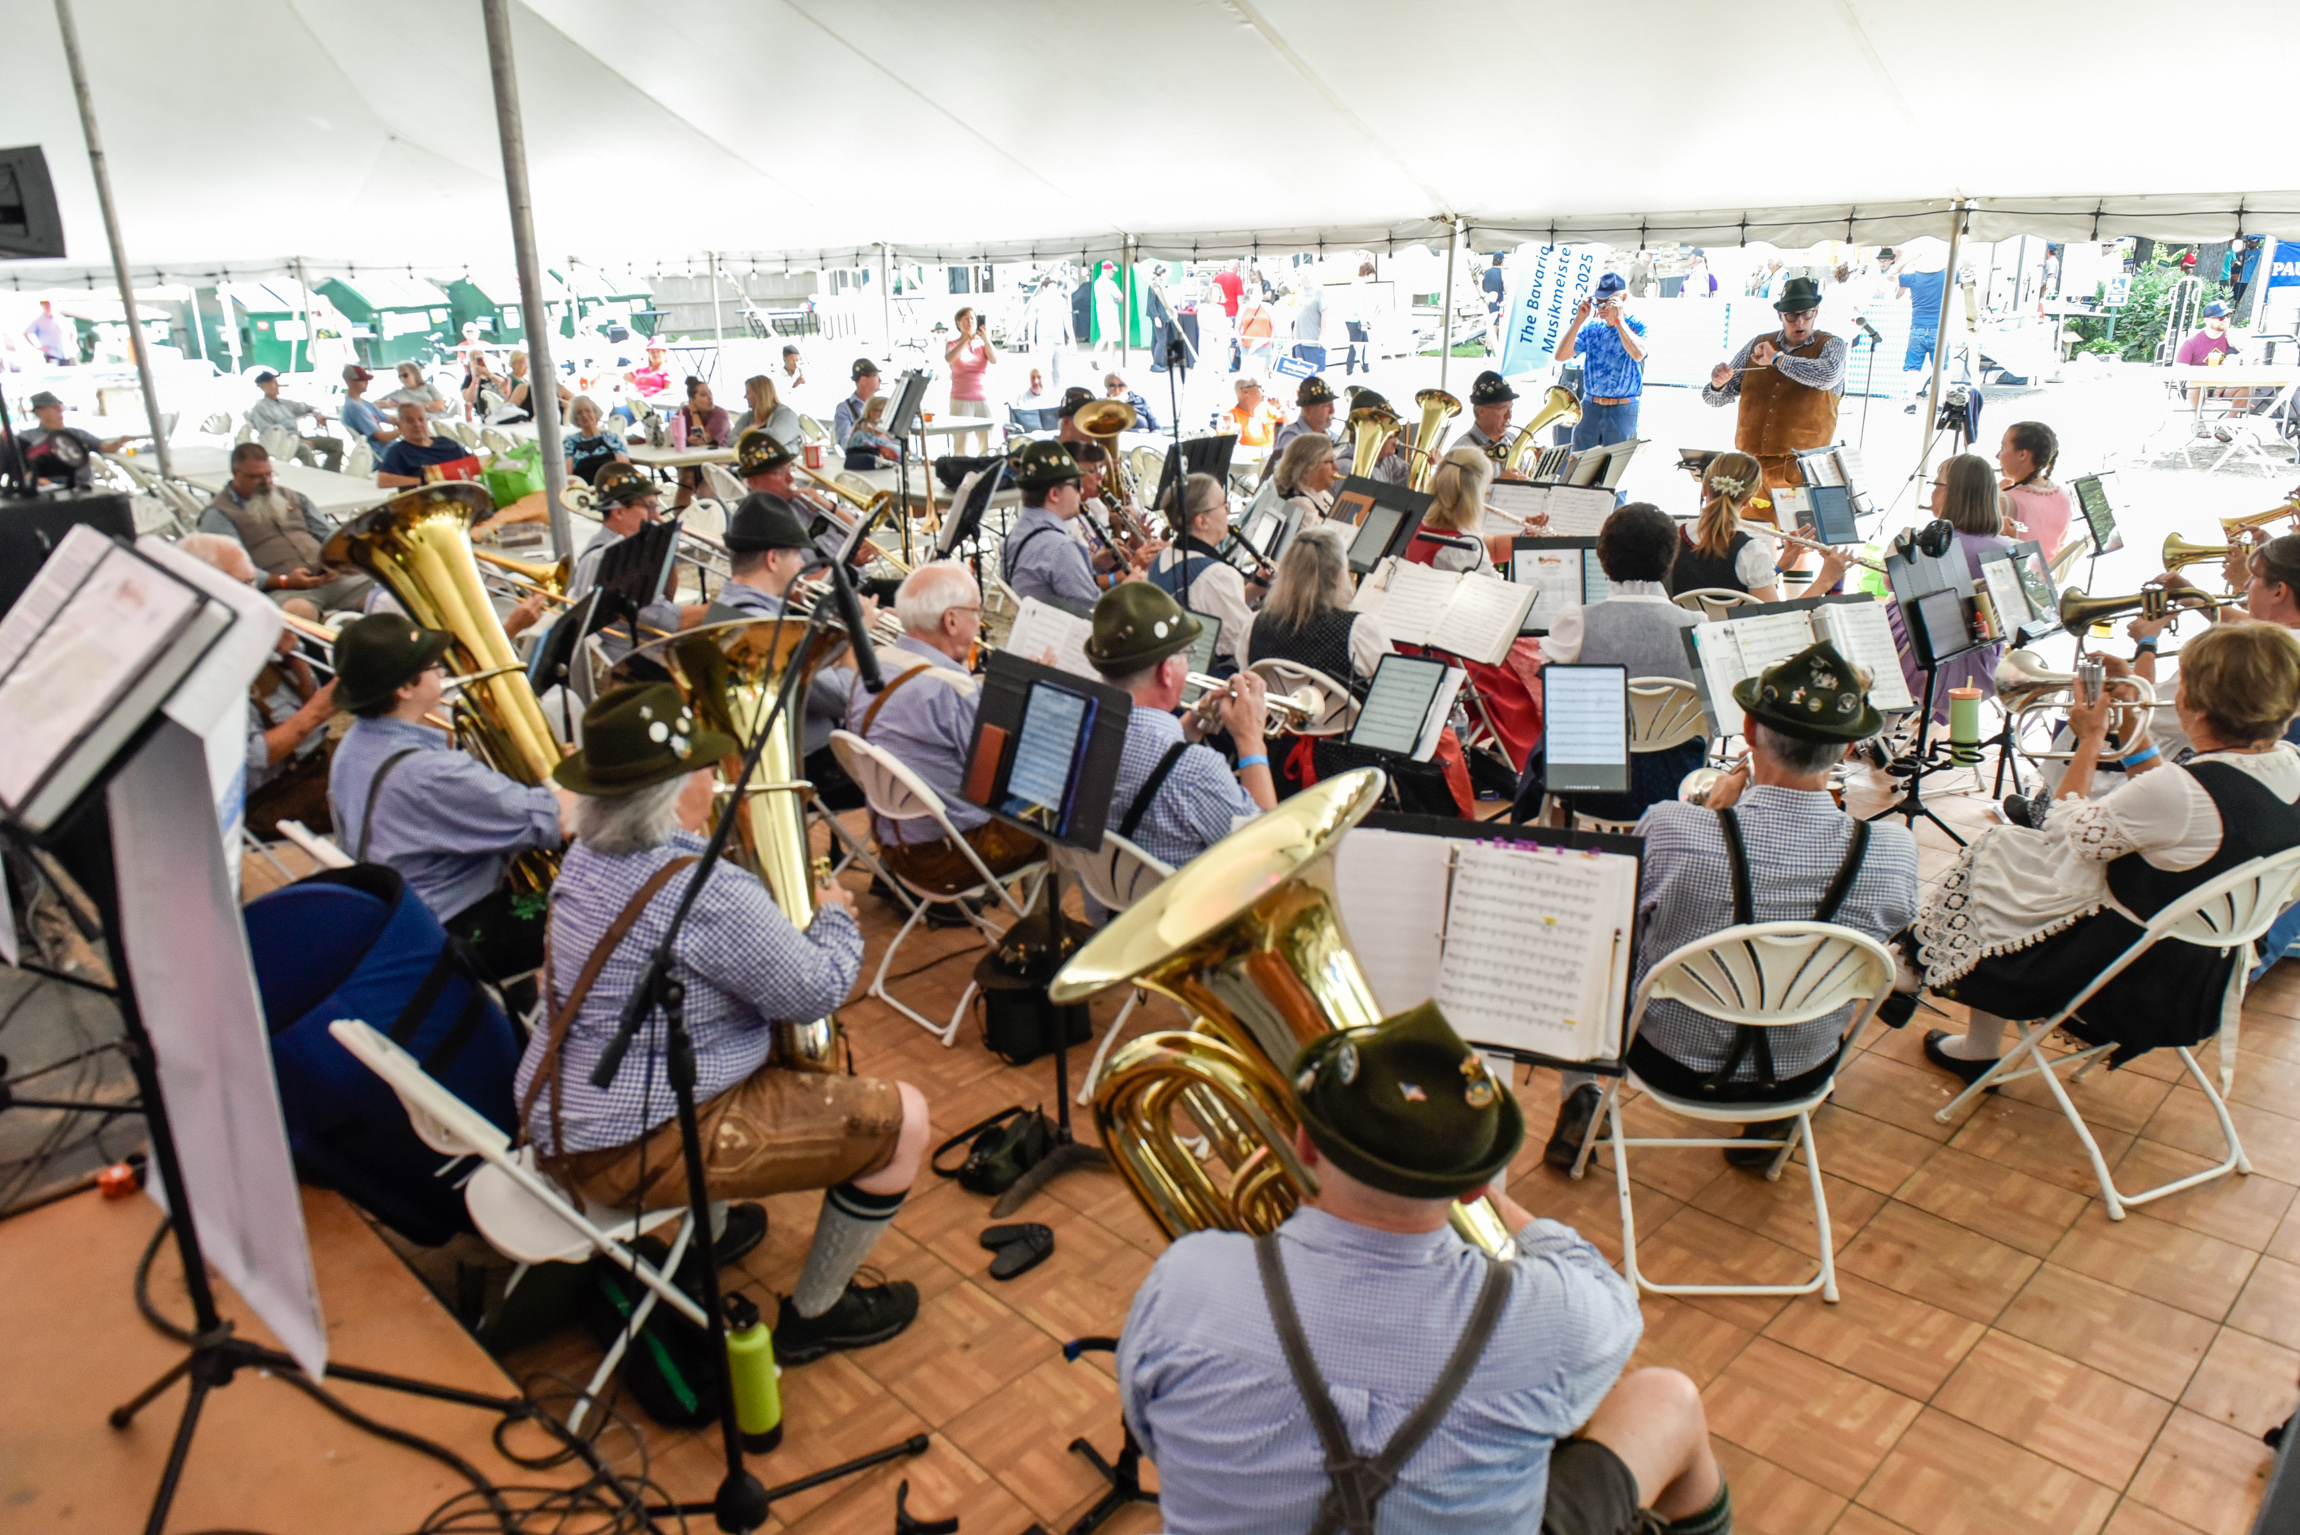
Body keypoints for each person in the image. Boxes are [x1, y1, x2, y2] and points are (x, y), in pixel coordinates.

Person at [1122, 1001, 1731, 1535]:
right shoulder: (1553, 1316)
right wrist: (1511, 1212)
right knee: (1667, 1398)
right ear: (1474, 1188)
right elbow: (1618, 1305)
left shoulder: (1184, 1280)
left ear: (1304, 1144)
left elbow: (1152, 1437)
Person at [512, 681, 925, 1362]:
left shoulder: (584, 854)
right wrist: (833, 918)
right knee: (907, 1121)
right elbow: (815, 990)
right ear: (674, 789)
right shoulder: (704, 886)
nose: (718, 776)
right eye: (707, 766)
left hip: (558, 1116)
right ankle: (819, 1313)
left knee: (731, 1048)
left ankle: (710, 1231)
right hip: (633, 1148)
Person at [1545, 642, 1919, 1168]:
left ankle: (1583, 1092)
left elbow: (1620, 919)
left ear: (1748, 730)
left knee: (1596, 936)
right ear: (1847, 749)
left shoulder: (1673, 827)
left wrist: (1707, 814)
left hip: (1669, 1060)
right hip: (1803, 1069)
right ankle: (1776, 1120)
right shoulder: (1893, 851)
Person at [1913, 623, 2300, 1084]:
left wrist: (2091, 740)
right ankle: (1918, 974)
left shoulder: (2181, 790)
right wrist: (2132, 723)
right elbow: (2176, 797)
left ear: (2194, 703)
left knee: (2002, 849)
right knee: (2014, 854)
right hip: (2206, 979)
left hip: (2130, 982)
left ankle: (1951, 1014)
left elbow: (2060, 831)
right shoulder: (2286, 764)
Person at [328, 607, 567, 978]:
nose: (441, 670)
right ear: (405, 689)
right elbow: (553, 820)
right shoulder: (428, 772)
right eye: (433, 665)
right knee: (606, 908)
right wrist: (582, 776)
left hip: (400, 915)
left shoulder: (353, 745)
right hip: (447, 931)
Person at [847, 563, 1040, 893]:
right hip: (951, 855)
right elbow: (1006, 777)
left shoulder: (873, 667)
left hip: (893, 847)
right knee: (1068, 815)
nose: (980, 623)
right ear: (951, 621)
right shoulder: (952, 691)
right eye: (976, 612)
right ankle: (1044, 917)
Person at [1514, 503, 1705, 826]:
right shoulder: (1697, 625)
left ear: (1603, 559)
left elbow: (1553, 694)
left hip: (1592, 785)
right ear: (1671, 559)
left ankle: (1551, 839)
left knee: (1548, 744)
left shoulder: (1577, 619)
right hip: (1676, 781)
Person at [1086, 584, 1276, 869]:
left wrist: (1187, 729)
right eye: (1188, 653)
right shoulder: (1198, 770)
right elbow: (1269, 852)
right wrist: (1250, 740)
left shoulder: (1081, 729)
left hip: (1107, 892)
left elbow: (1143, 752)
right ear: (1166, 672)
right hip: (1188, 895)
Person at [178, 534, 341, 836]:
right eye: (242, 585)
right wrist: (320, 709)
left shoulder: (249, 632)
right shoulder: (202, 664)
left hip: (311, 762)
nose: (257, 598)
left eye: (253, 582)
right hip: (270, 797)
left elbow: (310, 712)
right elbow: (254, 760)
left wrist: (294, 660)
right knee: (389, 793)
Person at [701, 492, 857, 769]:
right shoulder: (766, 629)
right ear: (772, 559)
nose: (801, 565)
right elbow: (844, 697)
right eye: (796, 554)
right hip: (811, 760)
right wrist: (856, 633)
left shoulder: (724, 607)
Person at [1891, 454, 2013, 720]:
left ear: (1953, 493)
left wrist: (1896, 551)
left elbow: (1893, 584)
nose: (1932, 492)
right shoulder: (2004, 547)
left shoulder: (1938, 546)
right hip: (1982, 663)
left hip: (1929, 661)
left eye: (1937, 484)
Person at [1702, 276, 1848, 489]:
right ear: (1781, 315)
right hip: (1751, 468)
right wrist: (1717, 384)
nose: (1800, 321)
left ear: (1816, 312)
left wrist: (1778, 359)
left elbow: (1827, 377)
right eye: (1792, 315)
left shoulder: (1832, 345)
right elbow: (1714, 399)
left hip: (1802, 468)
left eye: (1806, 314)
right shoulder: (1758, 344)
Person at [198, 443, 373, 611]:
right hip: (284, 589)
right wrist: (283, 581)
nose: (266, 482)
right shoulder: (219, 514)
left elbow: (329, 536)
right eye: (256, 477)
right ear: (236, 473)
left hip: (331, 579)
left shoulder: (293, 497)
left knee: (383, 595)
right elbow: (233, 569)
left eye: (269, 474)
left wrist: (338, 563)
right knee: (299, 611)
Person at [1003, 441, 1144, 618]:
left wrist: (1094, 564)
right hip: (1062, 631)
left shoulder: (1016, 534)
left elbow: (1047, 578)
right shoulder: (1061, 548)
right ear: (1054, 494)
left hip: (1032, 626)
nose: (1081, 490)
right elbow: (1095, 617)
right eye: (1076, 484)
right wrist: (1127, 587)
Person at [567, 465, 680, 665]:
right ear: (619, 512)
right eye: (649, 507)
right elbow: (670, 620)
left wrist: (667, 554)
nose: (657, 517)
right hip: (638, 660)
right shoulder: (612, 559)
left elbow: (667, 600)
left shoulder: (624, 549)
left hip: (649, 648)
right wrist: (728, 613)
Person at [1148, 472, 1256, 670]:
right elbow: (1246, 644)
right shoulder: (1216, 575)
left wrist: (1255, 589)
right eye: (1223, 505)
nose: (1227, 511)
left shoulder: (1163, 558)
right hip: (1203, 678)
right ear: (1202, 521)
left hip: (1168, 669)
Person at [1666, 451, 1787, 602]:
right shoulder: (1752, 551)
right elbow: (1772, 613)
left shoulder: (1671, 538)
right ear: (1747, 500)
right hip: (1731, 619)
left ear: (1704, 489)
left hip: (1678, 618)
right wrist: (1819, 583)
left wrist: (1779, 568)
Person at [1554, 274, 1648, 454]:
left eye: (1607, 302)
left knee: (1615, 464)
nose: (1601, 307)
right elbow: (1561, 355)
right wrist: (1578, 320)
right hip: (1591, 406)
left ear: (1623, 299)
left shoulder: (1636, 326)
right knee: (1580, 462)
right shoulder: (1593, 328)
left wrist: (1619, 321)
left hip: (1622, 408)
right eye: (1598, 302)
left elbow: (1638, 354)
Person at [19, 391, 137, 489]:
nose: (60, 410)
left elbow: (105, 447)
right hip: (49, 490)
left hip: (83, 486)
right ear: (39, 411)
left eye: (60, 407)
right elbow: (22, 468)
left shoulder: (77, 434)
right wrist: (37, 480)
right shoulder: (27, 438)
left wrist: (119, 442)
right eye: (54, 407)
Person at [1408, 446, 1498, 573]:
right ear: (1475, 495)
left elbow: (1494, 544)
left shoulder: (1419, 523)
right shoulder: (1462, 548)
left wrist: (1523, 537)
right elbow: (1492, 584)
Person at [1997, 420, 2072, 559]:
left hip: (2019, 570)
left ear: (2022, 455)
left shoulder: (2004, 500)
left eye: (2002, 448)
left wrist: (1993, 493)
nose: (1997, 456)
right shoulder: (2064, 496)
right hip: (2049, 570)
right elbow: (2059, 549)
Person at [1884, 252, 1949, 410]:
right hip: (1939, 330)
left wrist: (1909, 259)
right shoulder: (1945, 276)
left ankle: (1911, 403)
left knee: (1913, 368)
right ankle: (1940, 403)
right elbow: (1966, 275)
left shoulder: (1913, 278)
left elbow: (1890, 274)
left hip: (1917, 329)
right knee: (1942, 368)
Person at [248, 370, 343, 472]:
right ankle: (316, 478)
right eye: (273, 383)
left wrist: (317, 413)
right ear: (263, 386)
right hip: (282, 442)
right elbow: (270, 435)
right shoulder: (260, 408)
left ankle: (329, 474)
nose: (277, 385)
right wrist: (299, 441)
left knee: (336, 444)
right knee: (305, 449)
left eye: (277, 382)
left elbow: (308, 407)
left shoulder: (285, 403)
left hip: (298, 437)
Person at [377, 401, 481, 487]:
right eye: (410, 421)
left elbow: (475, 465)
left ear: (427, 421)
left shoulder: (447, 443)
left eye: (421, 419)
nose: (417, 424)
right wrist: (425, 481)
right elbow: (384, 481)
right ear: (400, 425)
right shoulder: (398, 451)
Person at [943, 308, 997, 454]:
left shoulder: (981, 345)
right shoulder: (953, 344)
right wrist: (965, 340)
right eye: (966, 319)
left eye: (972, 318)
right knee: (961, 444)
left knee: (987, 440)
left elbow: (994, 359)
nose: (970, 322)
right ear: (958, 323)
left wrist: (986, 339)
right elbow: (950, 358)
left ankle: (986, 465)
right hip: (960, 399)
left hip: (981, 398)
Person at [1270, 430, 1342, 526]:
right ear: (1310, 466)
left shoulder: (1322, 494)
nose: (1336, 468)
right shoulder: (1300, 504)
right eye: (1331, 461)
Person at [561, 394, 630, 485]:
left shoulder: (611, 438)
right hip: (583, 488)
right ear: (575, 418)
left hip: (612, 485)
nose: (584, 415)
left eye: (588, 411)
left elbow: (624, 468)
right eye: (579, 413)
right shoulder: (570, 442)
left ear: (595, 413)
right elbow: (569, 477)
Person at [729, 375, 801, 455]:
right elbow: (730, 440)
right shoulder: (748, 416)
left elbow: (776, 439)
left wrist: (747, 435)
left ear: (759, 394)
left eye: (748, 392)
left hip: (781, 462)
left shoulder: (787, 415)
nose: (745, 397)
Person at [1454, 371, 1515, 461]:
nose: (1509, 416)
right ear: (1481, 410)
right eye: (1503, 409)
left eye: (1510, 408)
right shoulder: (1461, 450)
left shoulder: (1512, 439)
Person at [1270, 375, 1337, 457]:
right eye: (1325, 406)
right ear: (1307, 410)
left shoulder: (1335, 438)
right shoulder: (1290, 437)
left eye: (1332, 405)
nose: (1332, 411)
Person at [339, 365, 399, 454]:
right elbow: (383, 437)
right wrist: (406, 429)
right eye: (362, 379)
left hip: (389, 448)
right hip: (380, 453)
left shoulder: (364, 403)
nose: (367, 382)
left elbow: (389, 418)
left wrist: (405, 421)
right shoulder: (355, 408)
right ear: (350, 382)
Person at [1221, 376, 1283, 450]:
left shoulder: (1268, 412)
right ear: (1245, 391)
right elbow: (1226, 448)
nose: (1263, 391)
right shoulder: (1231, 417)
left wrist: (1280, 408)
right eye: (1259, 387)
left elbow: (1289, 433)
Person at [843, 397, 902, 470]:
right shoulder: (860, 438)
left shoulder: (889, 435)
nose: (890, 415)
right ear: (872, 413)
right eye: (886, 411)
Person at [834, 359, 881, 447]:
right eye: (875, 376)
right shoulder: (844, 409)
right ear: (863, 380)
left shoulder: (882, 406)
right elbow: (845, 442)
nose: (880, 380)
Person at [385, 360, 452, 416]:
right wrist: (389, 404)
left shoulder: (428, 387)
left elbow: (440, 407)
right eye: (400, 376)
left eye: (405, 375)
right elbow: (379, 404)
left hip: (437, 419)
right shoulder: (398, 393)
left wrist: (411, 405)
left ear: (415, 374)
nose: (402, 379)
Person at [23, 299, 74, 365]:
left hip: (64, 353)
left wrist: (72, 343)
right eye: (46, 305)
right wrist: (37, 347)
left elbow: (72, 330)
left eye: (49, 304)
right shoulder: (39, 321)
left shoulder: (60, 318)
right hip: (51, 353)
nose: (48, 306)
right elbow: (26, 333)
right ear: (42, 306)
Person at [1290, 282, 1325, 373]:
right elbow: (1298, 312)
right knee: (1301, 370)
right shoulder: (1300, 292)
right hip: (1300, 340)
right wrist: (1295, 329)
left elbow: (1324, 314)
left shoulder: (1318, 292)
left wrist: (1322, 335)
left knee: (1316, 372)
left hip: (1313, 340)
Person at [1480, 251, 1509, 353]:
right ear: (1502, 261)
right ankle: (1488, 352)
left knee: (1489, 327)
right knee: (1494, 328)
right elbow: (1507, 288)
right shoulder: (1502, 273)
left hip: (1487, 303)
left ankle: (1487, 351)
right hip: (1497, 303)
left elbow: (1482, 287)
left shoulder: (1486, 273)